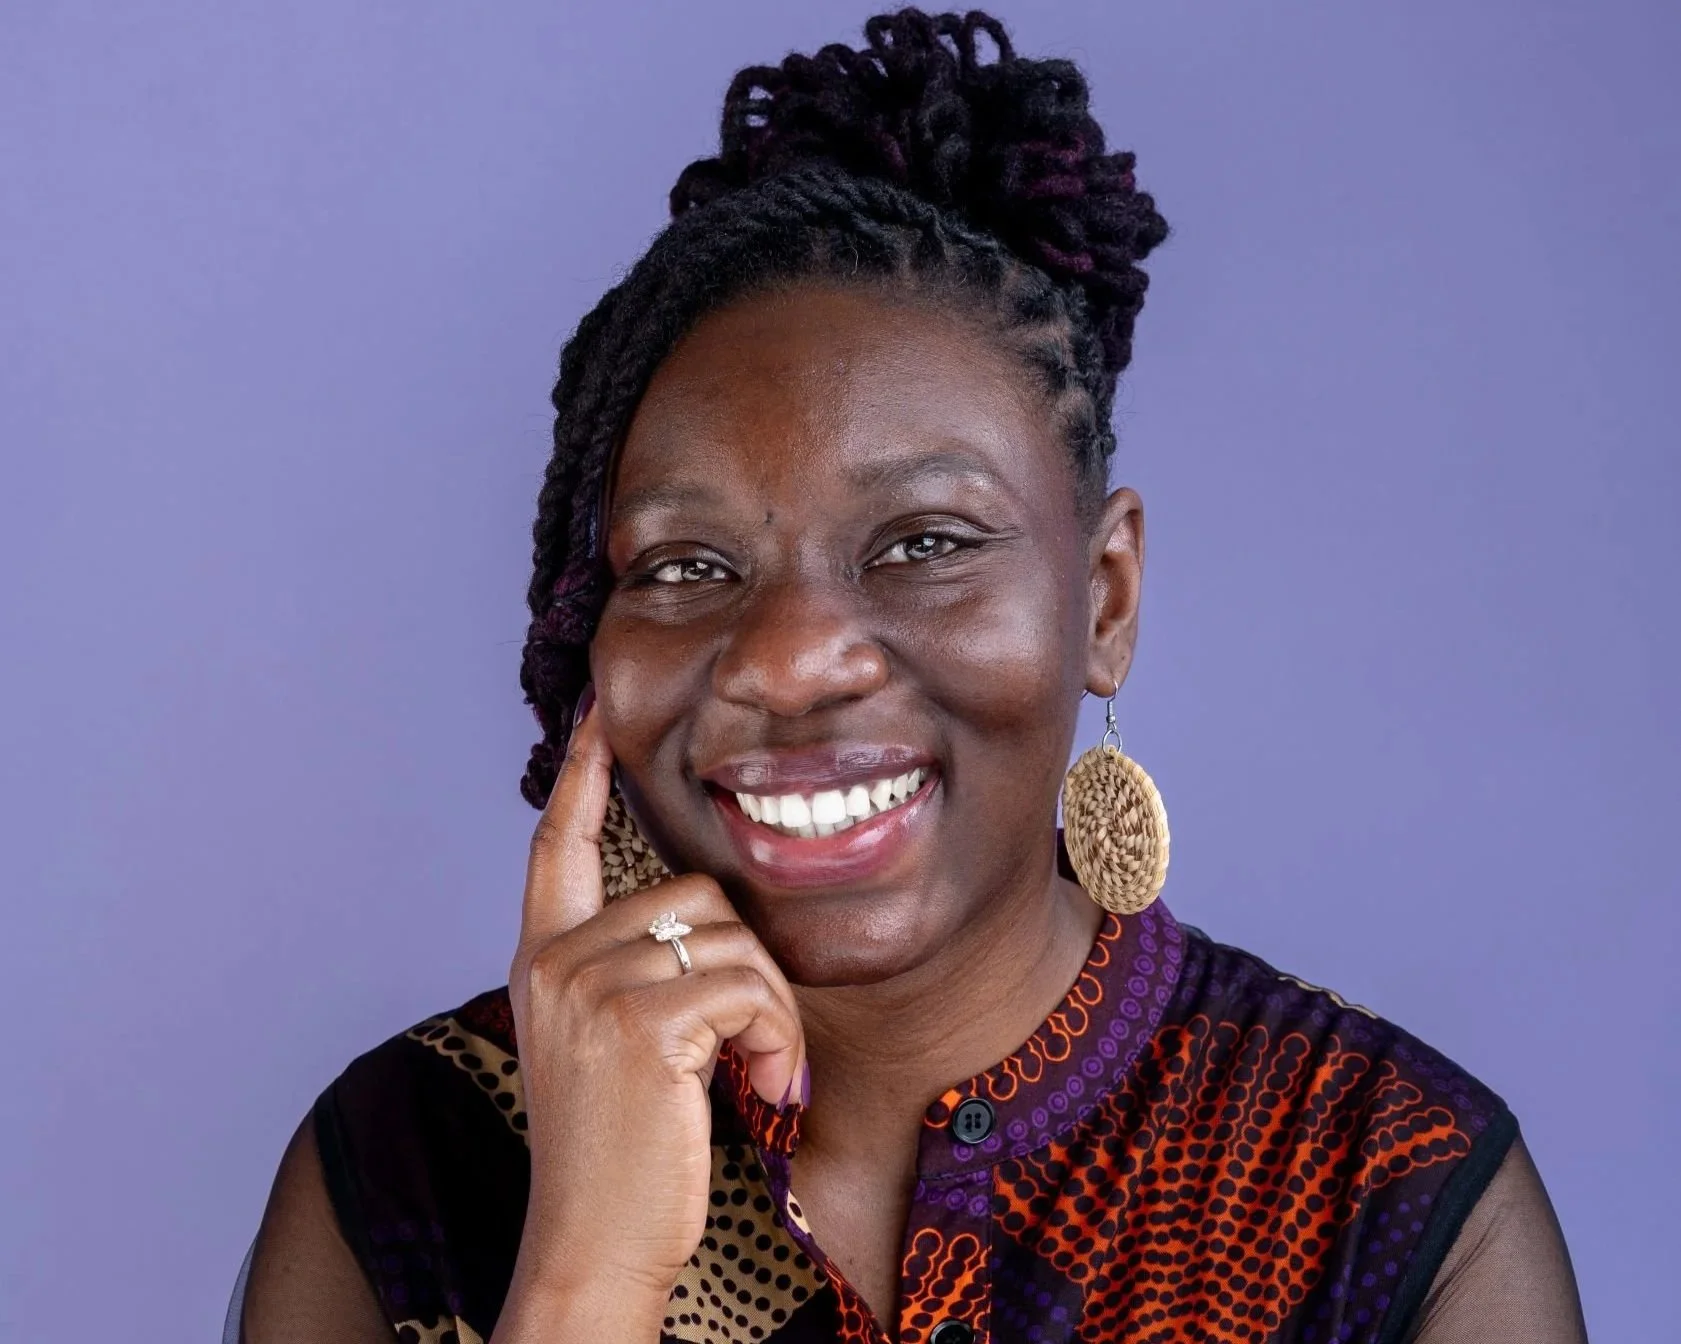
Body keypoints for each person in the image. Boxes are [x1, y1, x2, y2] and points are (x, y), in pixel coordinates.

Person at [236, 9, 1588, 1342]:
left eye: (924, 544)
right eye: (685, 567)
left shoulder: (1382, 1188)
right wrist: (588, 1275)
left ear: (1102, 599)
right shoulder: (408, 1166)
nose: (790, 658)